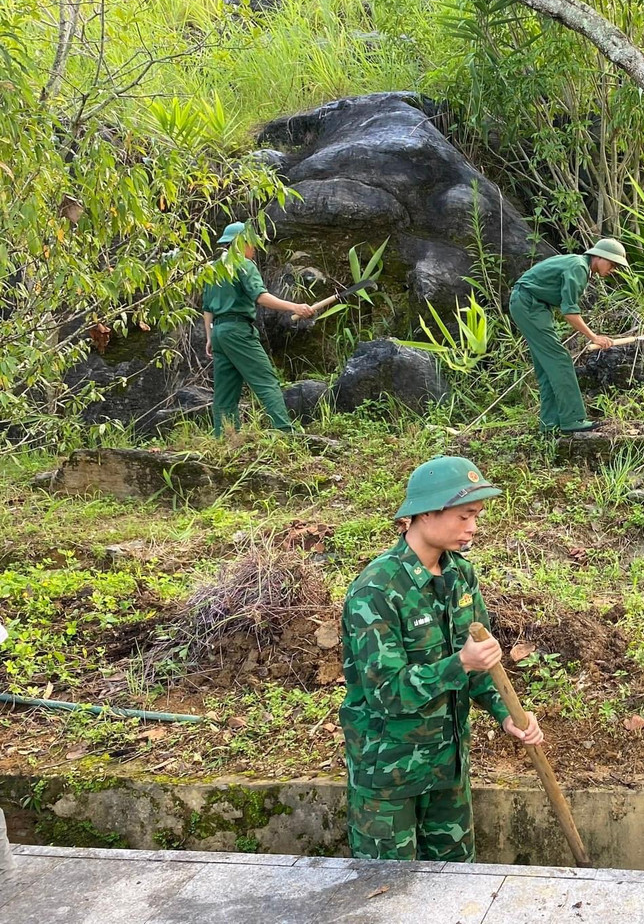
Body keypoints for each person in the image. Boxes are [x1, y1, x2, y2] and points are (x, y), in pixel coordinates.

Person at [340, 455, 544, 861]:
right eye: (465, 516)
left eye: (477, 516)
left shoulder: (459, 576)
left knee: (453, 888)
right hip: (388, 775)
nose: (473, 528)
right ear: (426, 513)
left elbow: (481, 664)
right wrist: (460, 664)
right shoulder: (377, 589)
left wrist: (507, 713)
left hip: (448, 768)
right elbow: (386, 694)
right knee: (386, 895)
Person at [200, 222, 314, 437]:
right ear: (241, 243)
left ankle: (223, 439)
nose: (254, 249)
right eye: (252, 243)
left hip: (219, 333)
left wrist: (209, 337)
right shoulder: (243, 264)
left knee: (224, 393)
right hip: (238, 331)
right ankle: (284, 432)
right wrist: (294, 306)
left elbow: (206, 308)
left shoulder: (212, 269)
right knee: (266, 381)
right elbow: (260, 297)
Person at [508, 238, 629, 434]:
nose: (613, 269)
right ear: (598, 257)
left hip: (533, 305)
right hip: (529, 304)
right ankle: (572, 419)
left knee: (547, 366)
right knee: (560, 360)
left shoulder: (577, 264)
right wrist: (594, 337)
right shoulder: (579, 268)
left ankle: (549, 424)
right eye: (612, 264)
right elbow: (570, 312)